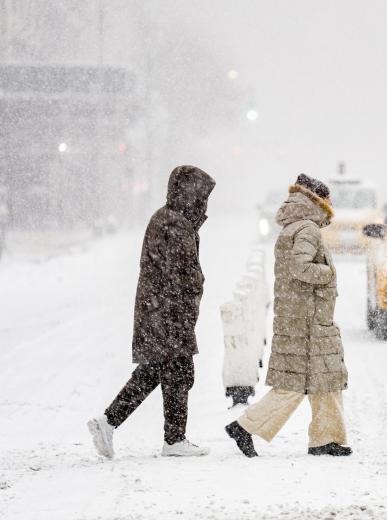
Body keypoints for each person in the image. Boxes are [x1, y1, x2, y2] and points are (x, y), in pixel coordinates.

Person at [88, 165, 215, 458]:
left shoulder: (172, 219)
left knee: (158, 371)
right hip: (167, 313)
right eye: (201, 196)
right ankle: (172, 440)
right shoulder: (174, 223)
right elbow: (182, 273)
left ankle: (112, 424)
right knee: (177, 371)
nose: (204, 203)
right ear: (188, 194)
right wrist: (189, 298)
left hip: (162, 311)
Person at [225, 174, 350, 458]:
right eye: (328, 198)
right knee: (296, 385)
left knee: (324, 380)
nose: (331, 203)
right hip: (308, 320)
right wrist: (329, 273)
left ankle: (327, 439)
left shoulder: (295, 227)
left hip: (303, 315)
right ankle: (245, 427)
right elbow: (301, 268)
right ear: (318, 201)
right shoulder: (307, 229)